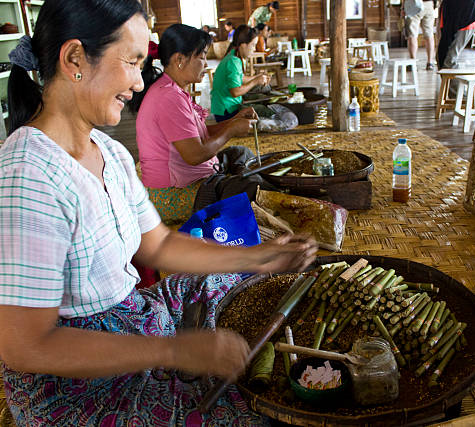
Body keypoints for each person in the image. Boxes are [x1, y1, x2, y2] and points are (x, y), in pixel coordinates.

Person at [0, 1, 318, 426]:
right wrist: (172, 350)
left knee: (241, 285)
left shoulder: (109, 152)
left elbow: (159, 243)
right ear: (75, 58)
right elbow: (25, 345)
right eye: (131, 62)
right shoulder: (28, 175)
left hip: (132, 319)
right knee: (247, 414)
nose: (137, 81)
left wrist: (257, 258)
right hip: (76, 386)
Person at [130, 24, 256, 189]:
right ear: (180, 60)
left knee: (241, 154)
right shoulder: (168, 97)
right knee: (248, 187)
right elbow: (195, 155)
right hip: (173, 191)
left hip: (195, 175)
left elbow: (195, 136)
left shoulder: (173, 90)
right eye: (202, 57)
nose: (205, 64)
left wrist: (234, 120)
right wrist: (231, 130)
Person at [211, 25, 269, 122]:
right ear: (243, 45)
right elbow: (235, 92)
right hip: (226, 112)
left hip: (228, 107)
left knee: (262, 97)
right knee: (265, 111)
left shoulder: (236, 54)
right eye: (253, 45)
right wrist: (255, 81)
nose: (254, 49)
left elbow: (239, 78)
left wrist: (258, 77)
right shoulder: (233, 61)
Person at [436, 0, 475, 70]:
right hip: (451, 13)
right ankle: (449, 80)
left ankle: (458, 80)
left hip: (467, 15)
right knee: (442, 57)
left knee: (449, 60)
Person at [403, 0, 437, 70]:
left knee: (412, 35)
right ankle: (430, 62)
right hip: (429, 4)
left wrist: (403, 7)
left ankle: (413, 63)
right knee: (429, 34)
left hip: (413, 4)